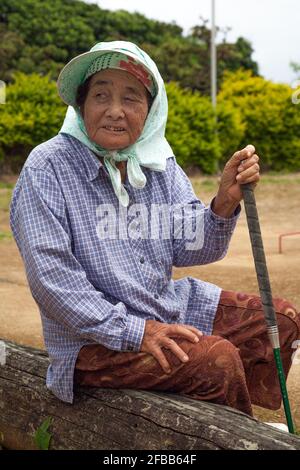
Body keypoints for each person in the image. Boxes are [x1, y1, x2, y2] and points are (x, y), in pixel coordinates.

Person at [10, 41, 300, 418]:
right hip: (92, 343)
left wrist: (224, 202)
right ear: (81, 106)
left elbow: (191, 247)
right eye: (101, 95)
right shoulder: (47, 168)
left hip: (163, 310)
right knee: (217, 361)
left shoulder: (156, 162)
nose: (115, 111)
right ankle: (221, 432)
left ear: (149, 110)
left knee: (280, 320)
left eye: (131, 98)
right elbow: (54, 283)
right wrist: (138, 332)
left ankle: (230, 418)